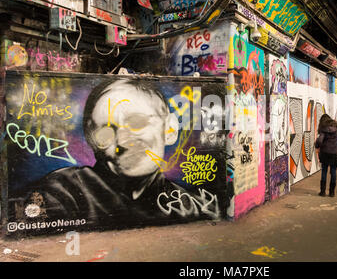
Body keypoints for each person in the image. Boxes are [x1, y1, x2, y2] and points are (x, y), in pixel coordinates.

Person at [10, 79, 217, 232]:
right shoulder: (64, 194)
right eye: (106, 133)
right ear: (92, 141)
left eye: (137, 123)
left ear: (170, 129)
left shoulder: (194, 206)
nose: (123, 142)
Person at [315, 114, 337, 197]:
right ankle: (332, 192)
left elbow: (320, 141)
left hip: (325, 153)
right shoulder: (336, 129)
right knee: (333, 172)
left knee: (324, 171)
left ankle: (323, 192)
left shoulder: (323, 129)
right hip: (334, 153)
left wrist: (316, 145)